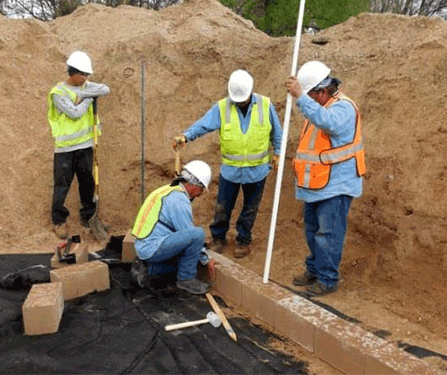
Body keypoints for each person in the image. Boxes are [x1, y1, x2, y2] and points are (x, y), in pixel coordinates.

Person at [173, 70, 283, 258]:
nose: (239, 102)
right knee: (223, 206)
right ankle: (218, 237)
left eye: (242, 99)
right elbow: (203, 124)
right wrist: (186, 136)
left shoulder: (265, 105)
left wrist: (279, 153)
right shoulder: (223, 107)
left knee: (250, 208)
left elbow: (277, 133)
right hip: (231, 170)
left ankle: (243, 239)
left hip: (257, 171)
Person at [285, 61, 366, 296]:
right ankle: (314, 268)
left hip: (337, 185)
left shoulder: (343, 108)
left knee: (328, 234)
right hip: (317, 184)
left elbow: (328, 123)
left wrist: (300, 96)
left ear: (321, 91)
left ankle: (328, 279)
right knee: (312, 230)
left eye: (310, 95)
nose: (307, 101)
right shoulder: (320, 107)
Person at [47, 51, 110, 240]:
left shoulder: (86, 86)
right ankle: (59, 220)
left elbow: (105, 89)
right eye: (81, 74)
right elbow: (74, 113)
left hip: (85, 146)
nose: (85, 78)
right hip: (65, 149)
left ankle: (89, 218)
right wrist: (89, 99)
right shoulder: (58, 93)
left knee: (87, 183)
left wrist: (83, 94)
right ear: (71, 73)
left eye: (87, 75)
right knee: (61, 186)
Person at [131, 160, 213, 295]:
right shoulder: (179, 200)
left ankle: (147, 270)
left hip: (144, 246)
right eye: (202, 188)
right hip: (152, 248)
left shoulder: (167, 190)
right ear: (193, 184)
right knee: (198, 234)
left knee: (184, 258)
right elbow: (189, 233)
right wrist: (205, 259)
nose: (201, 194)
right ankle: (186, 279)